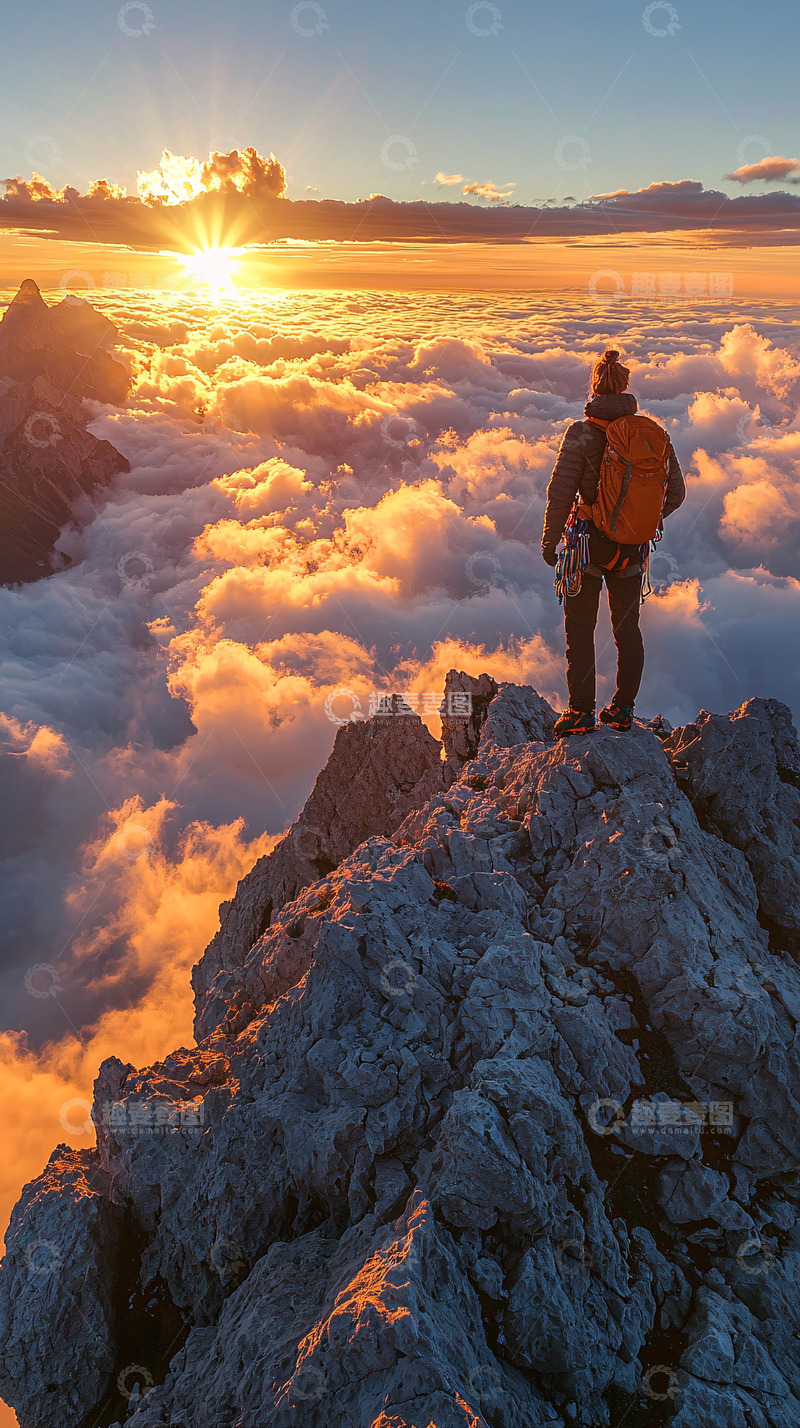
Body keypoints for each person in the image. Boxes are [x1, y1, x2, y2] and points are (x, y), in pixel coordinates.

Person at [541, 349, 685, 737]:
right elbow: (676, 494)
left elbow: (560, 492)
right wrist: (638, 523)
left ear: (594, 388)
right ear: (625, 387)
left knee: (580, 631)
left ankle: (580, 713)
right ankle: (623, 710)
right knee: (627, 631)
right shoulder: (650, 435)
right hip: (632, 551)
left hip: (585, 546)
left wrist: (550, 540)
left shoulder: (581, 434)